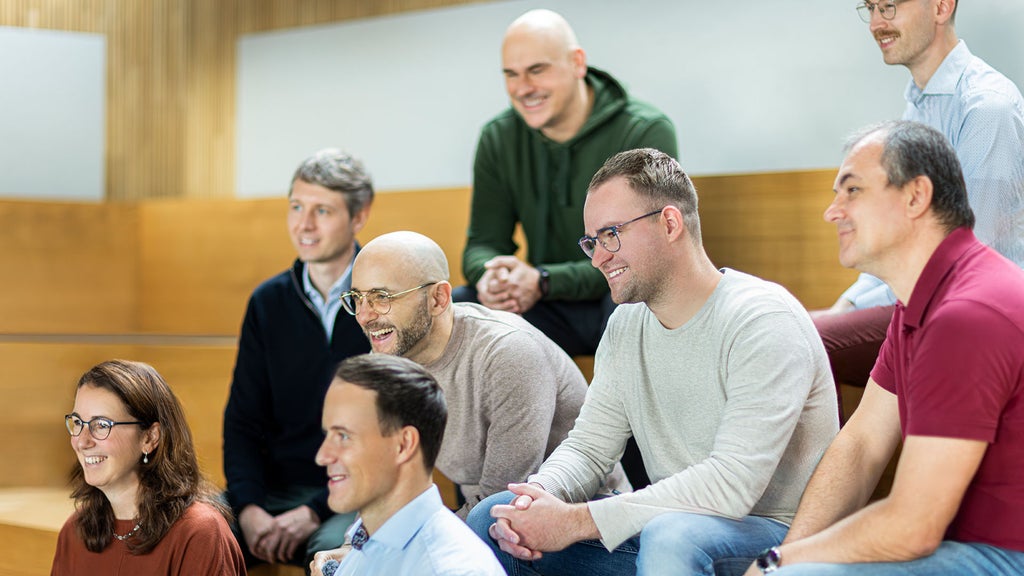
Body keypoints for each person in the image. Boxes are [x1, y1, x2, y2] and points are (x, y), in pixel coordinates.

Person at [467, 148, 839, 576]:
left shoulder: (762, 318)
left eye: (611, 234)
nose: (598, 257)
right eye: (591, 242)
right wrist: (538, 497)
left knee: (672, 536)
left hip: (774, 539)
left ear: (669, 223)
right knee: (497, 515)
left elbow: (732, 484)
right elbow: (589, 448)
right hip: (672, 528)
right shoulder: (626, 325)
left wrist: (578, 522)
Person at [744, 121, 1024, 575]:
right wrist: (781, 559)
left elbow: (912, 526)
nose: (832, 212)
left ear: (916, 196)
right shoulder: (921, 302)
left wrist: (781, 563)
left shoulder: (967, 314)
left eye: (852, 190)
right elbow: (862, 445)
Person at [813, 0, 1024, 398]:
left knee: (805, 346)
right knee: (793, 334)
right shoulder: (919, 104)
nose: (876, 23)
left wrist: (859, 312)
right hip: (920, 299)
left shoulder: (987, 106)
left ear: (942, 6)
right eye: (870, 8)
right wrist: (849, 304)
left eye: (889, 6)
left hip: (976, 313)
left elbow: (972, 256)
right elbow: (897, 237)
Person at [346, 231, 627, 519]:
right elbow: (379, 483)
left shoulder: (508, 353)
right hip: (493, 530)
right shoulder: (385, 363)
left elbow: (499, 505)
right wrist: (352, 549)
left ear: (438, 299)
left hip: (582, 531)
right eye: (357, 298)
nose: (364, 316)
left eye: (382, 297)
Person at [458, 8, 678, 360]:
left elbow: (646, 255)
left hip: (622, 295)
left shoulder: (643, 130)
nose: (523, 88)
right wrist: (494, 277)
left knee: (643, 303)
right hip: (546, 305)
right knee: (458, 307)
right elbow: (482, 244)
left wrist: (543, 279)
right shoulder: (498, 137)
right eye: (511, 75)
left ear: (577, 63)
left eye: (537, 70)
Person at [222, 149, 373, 570]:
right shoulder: (267, 302)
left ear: (358, 216)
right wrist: (248, 507)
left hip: (352, 495)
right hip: (270, 491)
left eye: (322, 210)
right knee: (190, 531)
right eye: (296, 207)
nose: (303, 225)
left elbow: (386, 436)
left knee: (337, 557)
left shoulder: (382, 299)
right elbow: (242, 421)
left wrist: (312, 512)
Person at [310, 354, 505, 576]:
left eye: (344, 436)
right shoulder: (363, 546)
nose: (323, 456)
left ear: (403, 445)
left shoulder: (452, 570)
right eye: (328, 435)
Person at [51, 360, 245, 575]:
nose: (82, 441)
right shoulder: (76, 530)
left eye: (101, 425)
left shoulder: (200, 533)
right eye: (78, 423)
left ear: (150, 437)